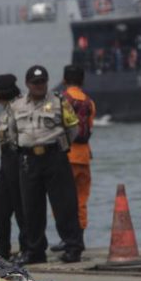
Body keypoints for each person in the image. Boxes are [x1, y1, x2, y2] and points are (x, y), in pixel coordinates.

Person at [7, 65, 84, 264]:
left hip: (54, 157)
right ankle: (35, 251)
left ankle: (73, 247)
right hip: (29, 159)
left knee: (64, 205)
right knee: (31, 208)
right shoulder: (16, 106)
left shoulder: (59, 102)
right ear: (27, 84)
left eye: (42, 82)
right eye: (35, 83)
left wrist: (60, 147)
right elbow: (12, 132)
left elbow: (73, 128)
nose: (39, 86)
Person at [51, 64, 96, 252]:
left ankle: (67, 238)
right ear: (83, 80)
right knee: (81, 199)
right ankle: (80, 238)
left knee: (61, 200)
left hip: (66, 156)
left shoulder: (61, 100)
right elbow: (90, 128)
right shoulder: (89, 101)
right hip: (84, 157)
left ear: (63, 80)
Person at [0, 74, 27, 260]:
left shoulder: (21, 108)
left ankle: (26, 248)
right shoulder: (6, 110)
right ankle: (2, 248)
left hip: (18, 158)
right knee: (0, 205)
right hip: (5, 160)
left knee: (21, 206)